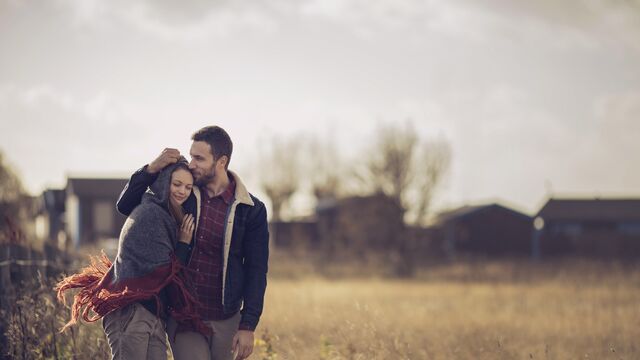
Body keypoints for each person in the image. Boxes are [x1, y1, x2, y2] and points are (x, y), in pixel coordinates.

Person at [116, 126, 269, 360]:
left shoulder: (251, 210)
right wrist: (151, 169)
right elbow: (127, 206)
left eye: (199, 158)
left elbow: (256, 270)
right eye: (192, 156)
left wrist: (248, 325)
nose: (192, 164)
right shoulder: (184, 191)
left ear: (221, 161)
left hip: (227, 318)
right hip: (185, 316)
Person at [57, 159, 209, 360]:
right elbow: (167, 272)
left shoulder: (168, 217)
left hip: (152, 313)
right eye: (177, 184)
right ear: (164, 183)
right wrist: (183, 243)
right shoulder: (151, 214)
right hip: (131, 311)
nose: (182, 191)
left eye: (188, 187)